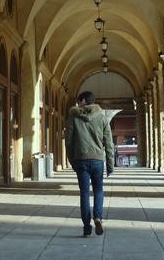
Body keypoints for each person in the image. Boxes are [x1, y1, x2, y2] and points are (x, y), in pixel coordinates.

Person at [65, 91, 114, 238]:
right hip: (98, 160)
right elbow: (109, 143)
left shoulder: (73, 117)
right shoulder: (102, 118)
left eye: (79, 101)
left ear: (83, 101)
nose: (78, 104)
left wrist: (72, 161)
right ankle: (97, 216)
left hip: (81, 159)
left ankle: (87, 227)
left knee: (84, 193)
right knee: (98, 190)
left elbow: (68, 141)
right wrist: (110, 164)